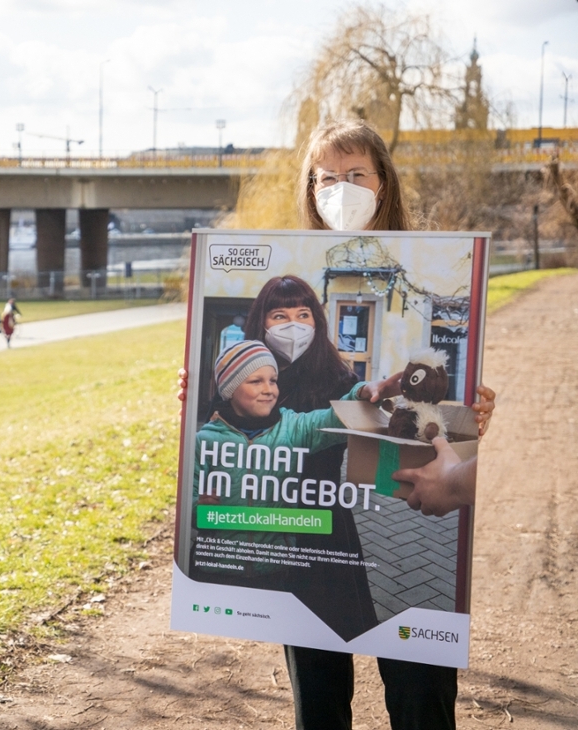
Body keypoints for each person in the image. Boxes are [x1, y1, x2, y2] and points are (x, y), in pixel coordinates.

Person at [179, 118, 496, 730]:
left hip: (354, 527)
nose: (341, 190)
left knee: (419, 689)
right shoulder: (253, 365)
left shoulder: (399, 293)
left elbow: (388, 415)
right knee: (319, 699)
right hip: (296, 534)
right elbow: (228, 430)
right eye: (326, 179)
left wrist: (470, 415)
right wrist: (199, 401)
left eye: (356, 176)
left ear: (384, 184)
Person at [191, 340, 399, 588]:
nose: (269, 389)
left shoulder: (292, 427)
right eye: (256, 381)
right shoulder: (205, 440)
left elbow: (335, 419)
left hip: (274, 570)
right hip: (217, 569)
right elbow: (188, 507)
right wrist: (199, 508)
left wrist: (362, 393)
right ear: (229, 389)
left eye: (273, 380)